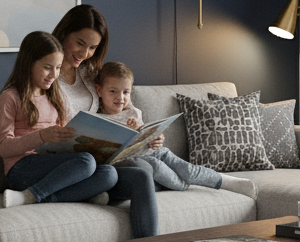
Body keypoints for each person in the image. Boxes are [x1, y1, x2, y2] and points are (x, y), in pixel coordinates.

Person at [52, 4, 159, 237]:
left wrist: (142, 130)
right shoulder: (49, 75)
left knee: (143, 170)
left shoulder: (89, 73)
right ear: (63, 34)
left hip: (103, 157)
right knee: (142, 168)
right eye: (80, 43)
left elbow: (123, 104)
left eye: (92, 47)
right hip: (73, 160)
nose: (85, 53)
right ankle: (94, 192)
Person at [95, 61, 257, 198]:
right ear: (99, 90)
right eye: (113, 91)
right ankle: (183, 185)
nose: (120, 98)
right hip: (137, 163)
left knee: (187, 168)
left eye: (126, 92)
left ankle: (225, 181)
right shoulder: (96, 120)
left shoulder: (134, 112)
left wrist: (155, 139)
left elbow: (147, 136)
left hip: (155, 153)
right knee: (156, 167)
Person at [0, 29, 117, 208]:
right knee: (86, 161)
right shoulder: (10, 97)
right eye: (47, 67)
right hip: (21, 169)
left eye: (58, 67)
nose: (54, 74)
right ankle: (35, 194)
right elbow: (3, 147)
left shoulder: (56, 96)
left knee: (109, 174)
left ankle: (38, 196)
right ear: (28, 64)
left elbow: (65, 135)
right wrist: (42, 137)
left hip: (52, 165)